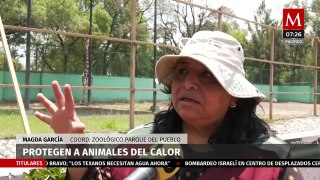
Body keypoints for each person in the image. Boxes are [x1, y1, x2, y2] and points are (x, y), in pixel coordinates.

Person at [35, 31, 302, 180]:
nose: (189, 84)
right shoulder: (137, 147)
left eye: (208, 75)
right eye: (183, 72)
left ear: (234, 96)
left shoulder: (269, 164)